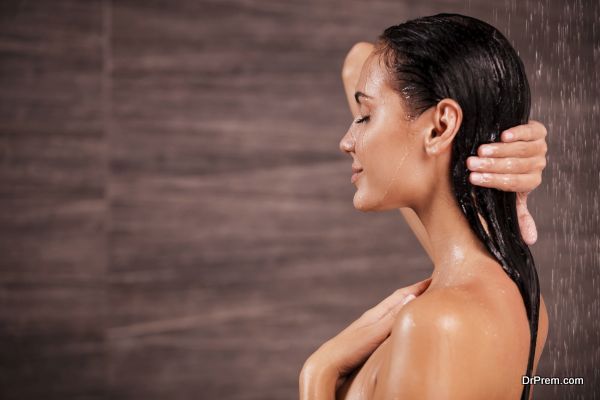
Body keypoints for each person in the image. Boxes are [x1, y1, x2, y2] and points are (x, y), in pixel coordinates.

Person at [300, 14, 549, 400]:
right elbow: (359, 61)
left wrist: (319, 374)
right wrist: (492, 117)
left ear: (439, 128)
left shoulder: (437, 324)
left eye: (365, 117)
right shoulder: (516, 290)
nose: (346, 141)